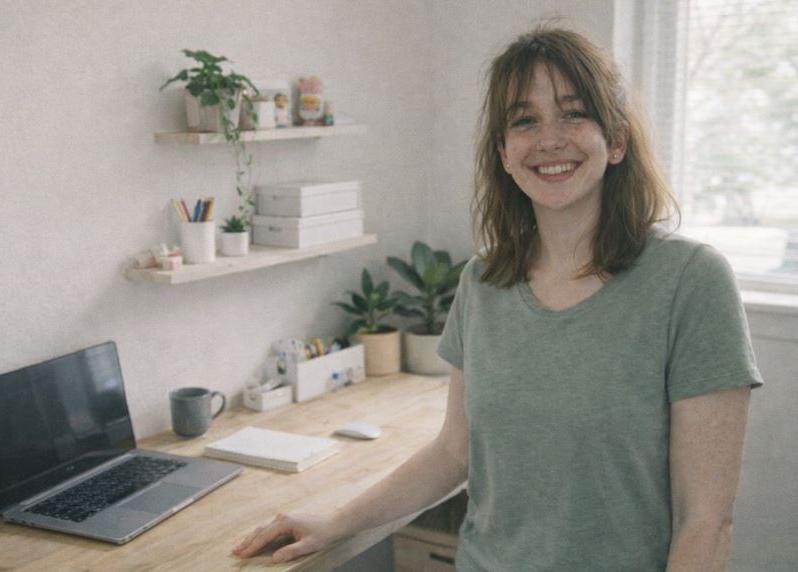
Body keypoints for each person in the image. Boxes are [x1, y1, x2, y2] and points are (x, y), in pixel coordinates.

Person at [232, 26, 764, 571]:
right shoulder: (483, 280)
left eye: (574, 114)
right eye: (525, 121)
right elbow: (453, 452)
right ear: (504, 153)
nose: (549, 139)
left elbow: (705, 521)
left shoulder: (691, 281)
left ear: (617, 140)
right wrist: (337, 520)